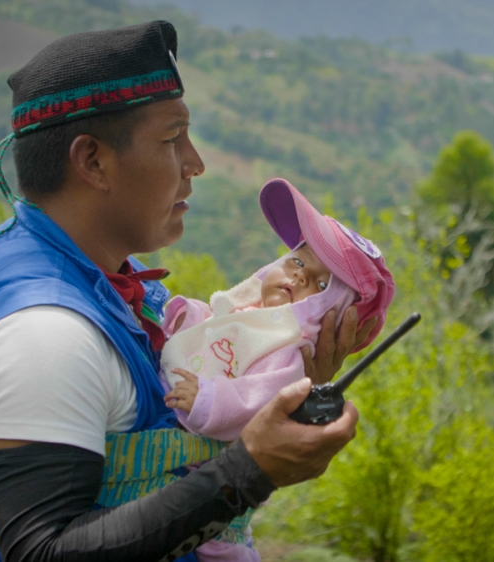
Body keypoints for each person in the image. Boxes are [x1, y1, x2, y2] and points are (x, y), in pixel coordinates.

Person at [0, 21, 376, 562]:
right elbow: (42, 552)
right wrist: (250, 470)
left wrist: (273, 386)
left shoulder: (109, 276)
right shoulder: (42, 335)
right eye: (171, 138)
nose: (196, 163)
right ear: (92, 160)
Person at [159, 178, 396, 561]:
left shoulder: (288, 353)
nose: (299, 276)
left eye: (321, 284)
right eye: (297, 261)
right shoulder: (248, 312)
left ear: (328, 318)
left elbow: (257, 402)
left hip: (205, 477)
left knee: (219, 547)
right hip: (173, 471)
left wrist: (207, 399)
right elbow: (215, 328)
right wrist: (189, 316)